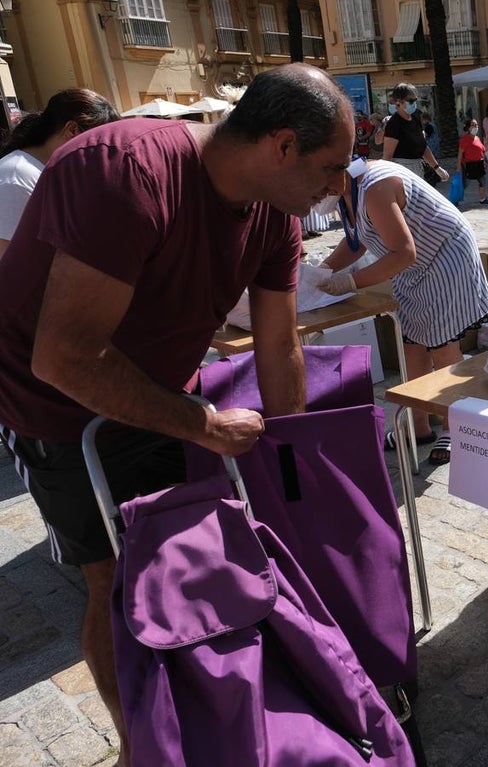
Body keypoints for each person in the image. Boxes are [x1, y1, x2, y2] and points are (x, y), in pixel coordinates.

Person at [0, 63, 354, 765]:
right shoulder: (126, 171)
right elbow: (65, 358)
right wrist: (203, 424)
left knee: (178, 561)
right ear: (282, 146)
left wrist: (291, 466)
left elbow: (279, 343)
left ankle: (200, 711)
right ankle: (142, 748)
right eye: (333, 167)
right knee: (110, 581)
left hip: (160, 390)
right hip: (54, 409)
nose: (339, 188)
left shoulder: (274, 214)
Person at [317, 157, 488, 465]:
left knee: (443, 346)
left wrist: (350, 281)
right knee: (412, 346)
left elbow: (403, 252)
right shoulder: (347, 190)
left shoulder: (375, 187)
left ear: (331, 172)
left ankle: (456, 428)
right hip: (412, 268)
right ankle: (417, 424)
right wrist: (321, 272)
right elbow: (357, 242)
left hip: (444, 256)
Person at [0, 88, 118, 258]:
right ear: (72, 130)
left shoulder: (47, 171)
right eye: (98, 144)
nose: (100, 157)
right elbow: (8, 264)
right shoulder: (15, 179)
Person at [382, 83, 449, 184]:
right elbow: (387, 155)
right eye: (411, 100)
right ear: (398, 102)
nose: (414, 103)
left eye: (415, 100)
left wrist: (437, 168)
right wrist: (387, 180)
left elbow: (423, 147)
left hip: (417, 168)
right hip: (402, 171)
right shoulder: (394, 123)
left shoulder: (415, 118)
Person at [457, 118, 488, 206]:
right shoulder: (464, 139)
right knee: (465, 184)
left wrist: (485, 162)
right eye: (473, 125)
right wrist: (458, 166)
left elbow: (481, 151)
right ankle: (455, 199)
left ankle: (482, 199)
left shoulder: (477, 138)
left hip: (479, 164)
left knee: (482, 182)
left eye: (476, 125)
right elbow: (460, 153)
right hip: (469, 165)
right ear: (468, 128)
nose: (475, 127)